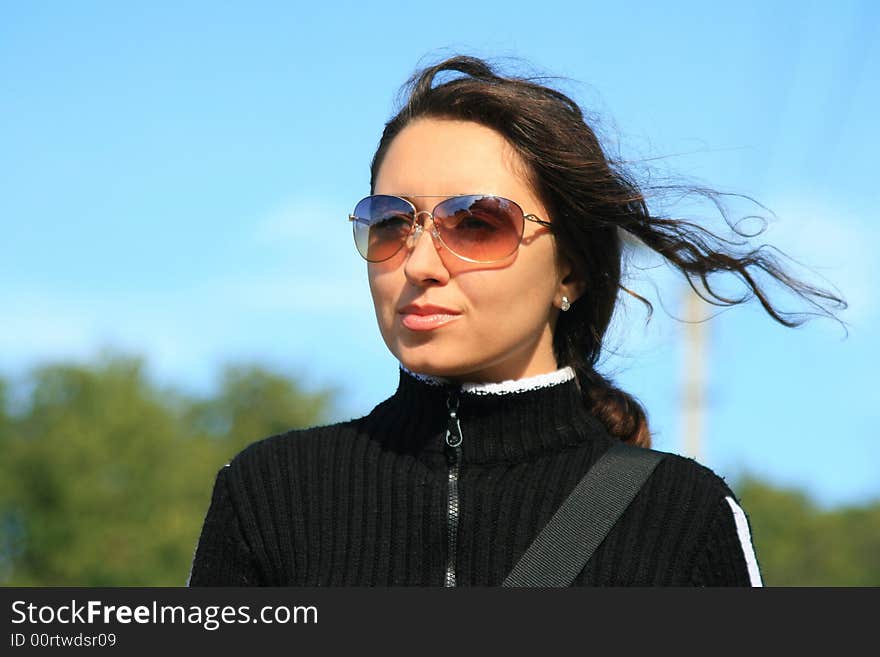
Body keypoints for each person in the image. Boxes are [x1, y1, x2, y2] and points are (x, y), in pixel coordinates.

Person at [187, 55, 844, 587]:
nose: (419, 262)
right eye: (391, 221)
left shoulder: (679, 515)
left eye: (476, 222)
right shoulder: (270, 493)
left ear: (571, 270)